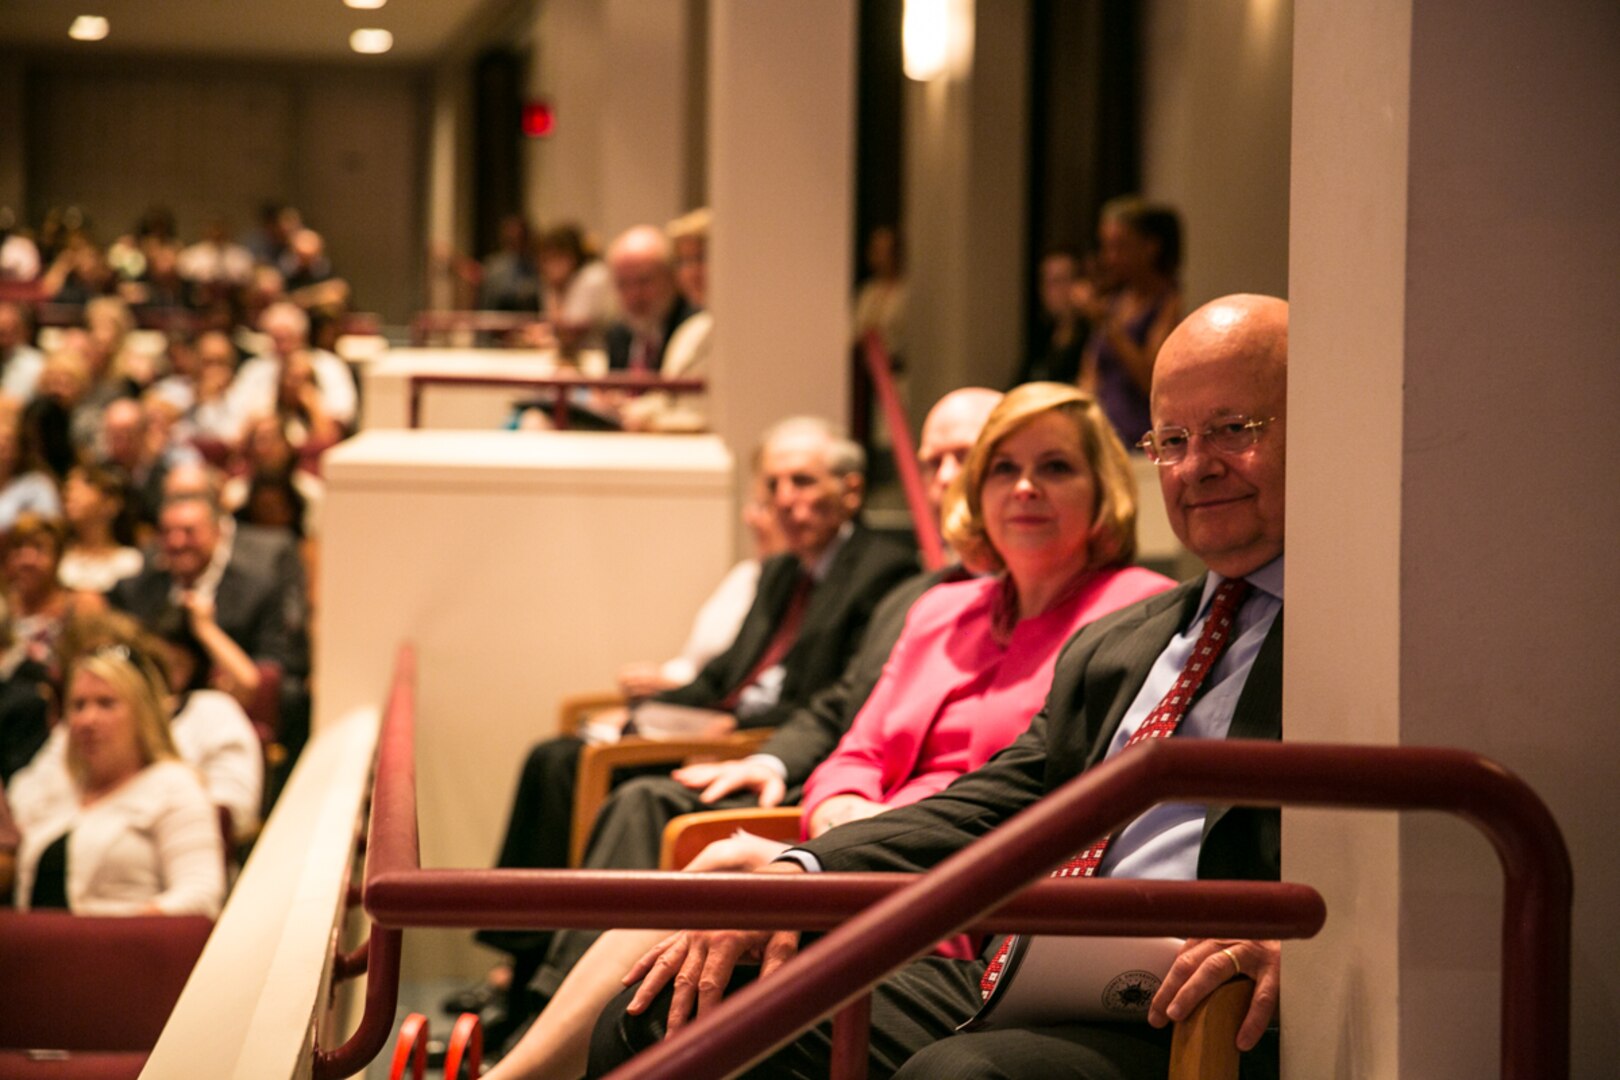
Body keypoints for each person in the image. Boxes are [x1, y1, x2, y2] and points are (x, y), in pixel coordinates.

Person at [590, 293, 1289, 1080]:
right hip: (1007, 966)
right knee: (666, 1011)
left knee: (956, 1076)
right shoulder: (1125, 642)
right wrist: (801, 872)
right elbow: (989, 804)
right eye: (1173, 439)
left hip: (1191, 1005)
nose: (1198, 465)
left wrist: (1307, 946)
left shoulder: (1358, 642)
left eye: (1235, 429)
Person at [485, 383, 1174, 1079]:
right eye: (1003, 469)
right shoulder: (942, 607)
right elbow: (856, 747)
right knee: (695, 922)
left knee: (715, 895)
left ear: (1103, 490)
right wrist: (849, 816)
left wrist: (872, 836)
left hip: (973, 891)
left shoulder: (1132, 612)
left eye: (1055, 468)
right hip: (858, 850)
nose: (1025, 488)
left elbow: (1030, 792)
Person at [467, 389, 1004, 1047]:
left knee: (642, 801)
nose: (783, 498)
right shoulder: (914, 596)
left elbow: (976, 768)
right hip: (818, 789)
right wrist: (690, 729)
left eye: (971, 458)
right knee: (565, 759)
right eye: (933, 462)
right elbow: (833, 708)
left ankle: (546, 1015)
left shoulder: (893, 576)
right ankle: (537, 1002)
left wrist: (785, 768)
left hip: (882, 828)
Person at [8, 641, 225, 915]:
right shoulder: (60, 785)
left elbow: (201, 896)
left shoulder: (175, 785)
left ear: (142, 715)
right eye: (78, 705)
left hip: (124, 950)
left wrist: (114, 936)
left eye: (106, 703)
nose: (87, 720)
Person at [1074, 197, 1185, 444]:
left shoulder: (1169, 303)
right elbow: (1089, 376)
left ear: (1150, 247)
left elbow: (1153, 380)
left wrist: (1108, 325)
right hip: (1105, 439)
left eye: (1120, 247)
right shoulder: (1114, 300)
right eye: (1106, 247)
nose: (1109, 258)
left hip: (1143, 443)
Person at [602, 225, 697, 373]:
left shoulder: (693, 328)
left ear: (671, 277)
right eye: (623, 284)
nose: (634, 295)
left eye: (644, 281)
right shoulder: (618, 335)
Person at [58, 464, 144, 594]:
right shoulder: (57, 558)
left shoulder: (129, 562)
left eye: (87, 483)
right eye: (69, 486)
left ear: (111, 503)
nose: (71, 492)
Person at [536, 223, 617, 355]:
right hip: (575, 357)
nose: (551, 265)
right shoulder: (552, 284)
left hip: (598, 356)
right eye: (546, 259)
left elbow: (572, 332)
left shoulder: (592, 276)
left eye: (558, 256)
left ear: (575, 256)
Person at [1016, 249, 1089, 386]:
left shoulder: (1092, 338)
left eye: (1058, 281)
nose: (1050, 290)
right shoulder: (1042, 335)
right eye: (1046, 281)